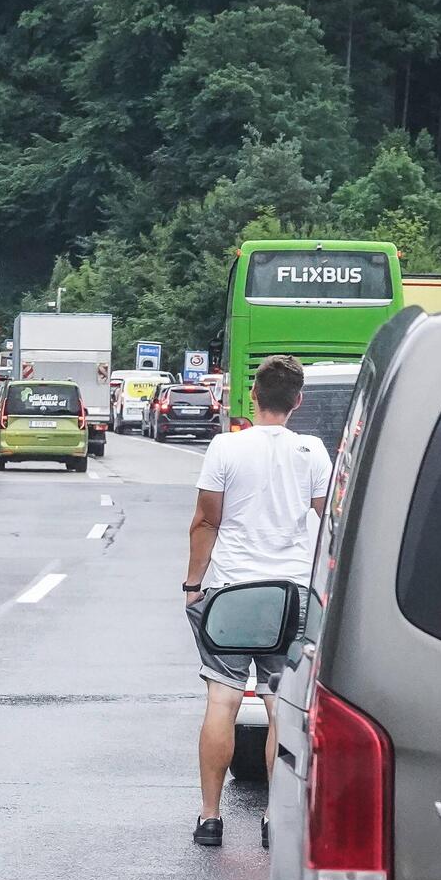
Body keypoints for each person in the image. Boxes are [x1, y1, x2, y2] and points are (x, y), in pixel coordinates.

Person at [183, 355, 332, 847]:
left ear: (253, 396)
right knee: (278, 708)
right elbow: (328, 521)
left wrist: (193, 585)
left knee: (222, 700)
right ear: (298, 401)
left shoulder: (225, 447)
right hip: (289, 598)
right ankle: (273, 818)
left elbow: (206, 521)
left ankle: (210, 817)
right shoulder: (312, 452)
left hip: (230, 595)